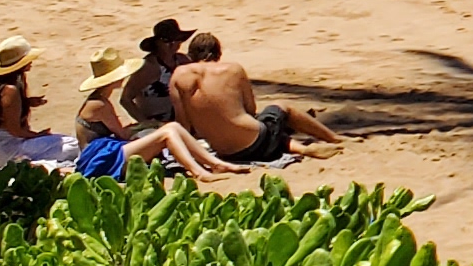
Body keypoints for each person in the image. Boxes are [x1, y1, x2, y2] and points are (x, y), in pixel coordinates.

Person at [167, 30, 345, 167]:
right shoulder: (233, 69)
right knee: (281, 109)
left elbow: (184, 123)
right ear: (218, 54)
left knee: (267, 132)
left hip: (225, 152)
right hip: (255, 141)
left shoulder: (178, 76)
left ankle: (304, 148)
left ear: (191, 56)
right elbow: (250, 109)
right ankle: (333, 138)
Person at [71, 45, 244, 183]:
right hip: (101, 159)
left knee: (172, 127)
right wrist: (145, 127)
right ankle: (199, 172)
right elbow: (122, 134)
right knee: (167, 133)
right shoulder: (99, 105)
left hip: (106, 152)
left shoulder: (98, 100)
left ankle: (215, 164)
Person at [0, 37, 69, 169]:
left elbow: (3, 109)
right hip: (5, 151)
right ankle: (30, 164)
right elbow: (15, 131)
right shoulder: (11, 90)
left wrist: (26, 102)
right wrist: (38, 135)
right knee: (70, 144)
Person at [117, 18, 190, 125]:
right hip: (157, 125)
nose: (172, 44)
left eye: (176, 40)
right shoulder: (148, 67)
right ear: (157, 43)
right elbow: (125, 99)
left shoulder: (183, 61)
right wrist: (145, 123)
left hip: (183, 123)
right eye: (167, 41)